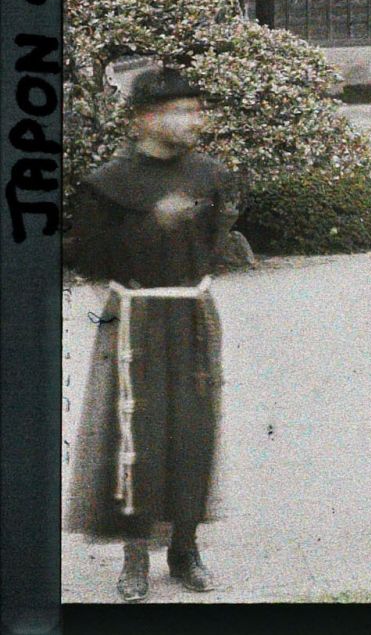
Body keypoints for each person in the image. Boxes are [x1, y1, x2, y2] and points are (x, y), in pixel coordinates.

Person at [66, 64, 237, 602]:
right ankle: (135, 557)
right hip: (135, 319)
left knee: (192, 429)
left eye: (196, 109)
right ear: (144, 118)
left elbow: (219, 242)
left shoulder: (212, 175)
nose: (194, 120)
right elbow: (90, 260)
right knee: (135, 434)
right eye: (180, 110)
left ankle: (185, 552)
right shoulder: (108, 185)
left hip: (192, 315)